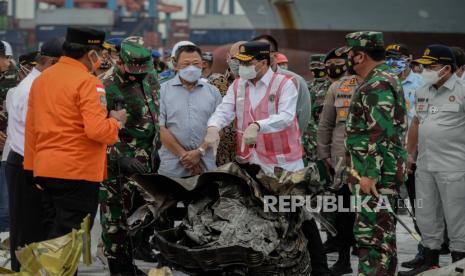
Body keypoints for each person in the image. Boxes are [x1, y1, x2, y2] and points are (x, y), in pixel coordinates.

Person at [23, 27, 126, 243]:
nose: (102, 58)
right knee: (69, 240)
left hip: (46, 169)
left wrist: (32, 169)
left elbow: (31, 127)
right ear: (91, 54)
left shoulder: (42, 79)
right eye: (100, 52)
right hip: (78, 171)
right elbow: (97, 130)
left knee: (52, 234)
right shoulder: (88, 82)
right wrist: (116, 122)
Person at [341, 31, 407, 275]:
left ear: (360, 56)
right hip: (370, 172)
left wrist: (369, 175)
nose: (347, 59)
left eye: (349, 54)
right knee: (382, 236)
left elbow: (380, 134)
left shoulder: (377, 84)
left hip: (376, 175)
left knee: (371, 237)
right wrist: (355, 173)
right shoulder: (382, 78)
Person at [400, 45, 465, 275]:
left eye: (431, 66)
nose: (425, 70)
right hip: (425, 166)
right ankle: (430, 259)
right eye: (424, 65)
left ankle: (459, 263)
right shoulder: (423, 91)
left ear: (447, 68)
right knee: (426, 214)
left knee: (457, 217)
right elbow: (416, 123)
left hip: (455, 167)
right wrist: (409, 154)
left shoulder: (462, 89)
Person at [100, 37, 159, 275]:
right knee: (116, 218)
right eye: (131, 69)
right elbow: (95, 129)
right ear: (120, 60)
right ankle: (119, 267)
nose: (137, 75)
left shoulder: (149, 75)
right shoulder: (105, 85)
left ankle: (131, 261)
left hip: (147, 158)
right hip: (117, 161)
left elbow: (155, 113)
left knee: (140, 214)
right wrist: (118, 156)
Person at [3, 37, 63, 271]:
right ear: (51, 62)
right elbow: (33, 136)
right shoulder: (30, 90)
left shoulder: (39, 85)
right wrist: (39, 171)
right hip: (28, 164)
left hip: (34, 162)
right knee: (26, 231)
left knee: (36, 229)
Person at [317, 47, 359, 276]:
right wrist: (325, 154)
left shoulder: (381, 85)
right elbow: (326, 124)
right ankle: (343, 260)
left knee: (372, 212)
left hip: (371, 164)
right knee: (344, 212)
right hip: (341, 162)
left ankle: (376, 260)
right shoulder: (338, 87)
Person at [385, 43, 426, 270]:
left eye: (398, 57)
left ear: (409, 59)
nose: (394, 61)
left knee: (418, 204)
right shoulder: (383, 82)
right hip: (387, 154)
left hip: (413, 155)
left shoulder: (421, 85)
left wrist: (412, 153)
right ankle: (387, 252)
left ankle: (425, 250)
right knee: (386, 205)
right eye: (389, 57)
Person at [158, 44, 222, 177]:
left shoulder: (213, 92)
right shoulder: (162, 91)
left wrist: (200, 152)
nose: (191, 68)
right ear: (175, 65)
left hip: (205, 165)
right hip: (173, 166)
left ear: (203, 64)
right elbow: (160, 129)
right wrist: (185, 156)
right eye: (186, 64)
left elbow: (220, 127)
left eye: (196, 63)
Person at [252, 34, 312, 135]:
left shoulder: (296, 81)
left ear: (274, 55)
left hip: (284, 147)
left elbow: (303, 119)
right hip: (254, 145)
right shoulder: (247, 82)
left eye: (262, 52)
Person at [208, 41, 244, 166]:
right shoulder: (215, 83)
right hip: (221, 155)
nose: (239, 62)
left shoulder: (259, 85)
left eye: (244, 59)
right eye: (235, 58)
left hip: (249, 153)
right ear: (228, 57)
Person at [0, 41, 12, 236]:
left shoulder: (15, 76)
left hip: (8, 147)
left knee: (6, 204)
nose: (9, 62)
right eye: (6, 59)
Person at [308, 54, 332, 123]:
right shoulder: (306, 86)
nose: (316, 68)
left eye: (319, 65)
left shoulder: (332, 86)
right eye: (313, 65)